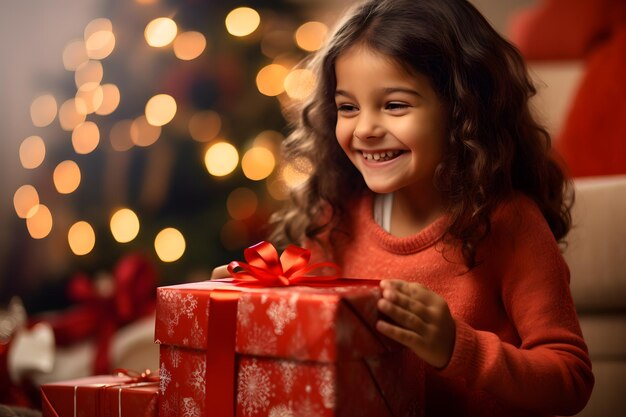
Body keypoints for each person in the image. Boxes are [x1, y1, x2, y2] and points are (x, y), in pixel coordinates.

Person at [215, 0, 594, 415]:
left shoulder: (508, 222)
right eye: (347, 107)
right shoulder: (333, 218)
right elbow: (306, 347)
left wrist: (457, 347)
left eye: (395, 105)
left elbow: (570, 380)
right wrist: (253, 304)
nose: (365, 129)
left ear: (463, 108)